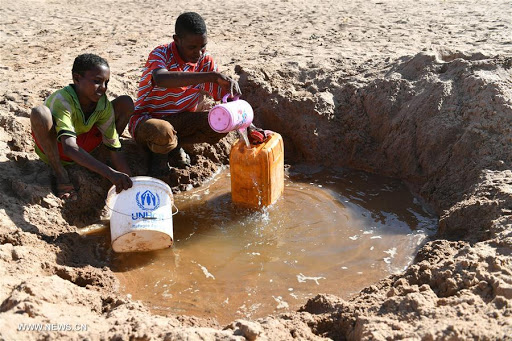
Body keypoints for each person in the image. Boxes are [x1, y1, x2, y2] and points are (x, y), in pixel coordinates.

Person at [129, 11, 242, 176]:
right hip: (147, 122)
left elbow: (229, 98)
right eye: (192, 47)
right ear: (177, 40)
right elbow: (161, 79)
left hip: (180, 122)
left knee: (222, 122)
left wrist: (249, 125)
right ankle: (159, 159)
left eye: (203, 46)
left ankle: (174, 145)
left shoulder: (204, 62)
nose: (199, 53)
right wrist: (212, 76)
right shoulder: (161, 54)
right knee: (162, 131)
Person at [30, 53, 134, 201]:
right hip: (57, 148)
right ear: (77, 78)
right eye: (97, 81)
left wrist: (130, 182)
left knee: (125, 102)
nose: (103, 88)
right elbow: (69, 147)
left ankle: (99, 162)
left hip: (84, 147)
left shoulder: (102, 103)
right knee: (40, 113)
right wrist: (110, 173)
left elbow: (114, 146)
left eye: (106, 82)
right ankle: (60, 174)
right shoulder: (63, 101)